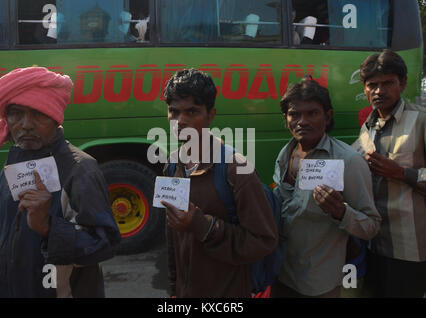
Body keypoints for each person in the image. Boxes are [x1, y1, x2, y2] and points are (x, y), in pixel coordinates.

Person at [0, 66, 121, 298]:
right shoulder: (15, 160)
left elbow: (104, 244)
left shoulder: (80, 169)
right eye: (17, 113)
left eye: (38, 113)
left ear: (55, 116)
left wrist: (48, 227)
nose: (26, 124)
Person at [161, 68, 278, 297]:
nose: (180, 121)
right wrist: (174, 288)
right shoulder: (172, 165)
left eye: (192, 111)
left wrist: (203, 226)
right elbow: (173, 238)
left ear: (210, 115)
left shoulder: (236, 169)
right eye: (174, 112)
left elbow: (264, 241)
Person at [272, 78, 381, 297]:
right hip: (280, 273)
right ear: (286, 118)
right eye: (295, 114)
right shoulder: (286, 153)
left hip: (318, 283)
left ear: (327, 116)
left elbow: (371, 226)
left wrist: (340, 212)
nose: (302, 121)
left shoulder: (347, 161)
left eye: (312, 113)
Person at [358, 49, 426, 297]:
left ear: (403, 82)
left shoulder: (420, 121)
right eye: (372, 85)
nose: (379, 91)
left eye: (387, 83)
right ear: (364, 89)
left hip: (411, 249)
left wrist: (401, 173)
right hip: (373, 246)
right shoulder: (367, 130)